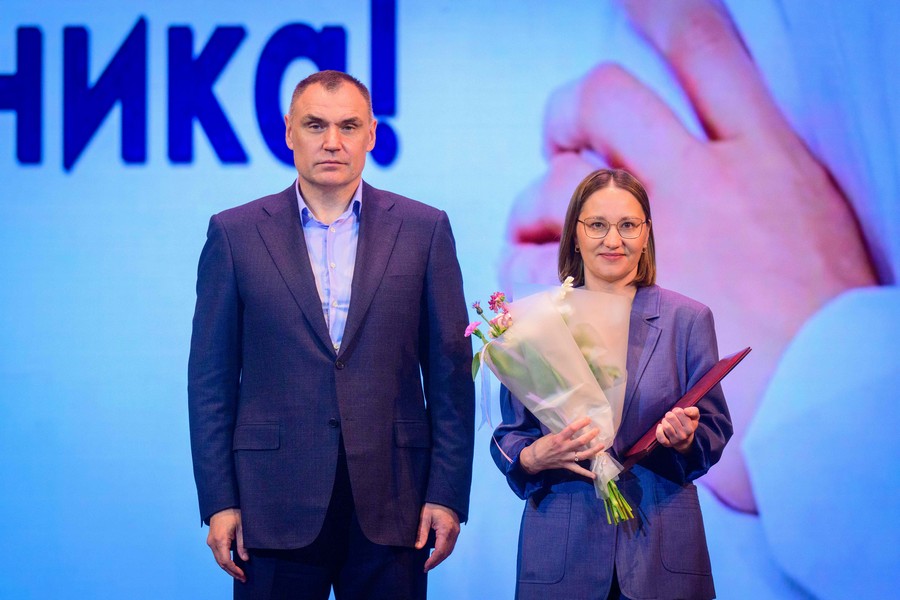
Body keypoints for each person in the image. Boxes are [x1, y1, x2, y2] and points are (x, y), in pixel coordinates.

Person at [188, 70, 475, 600]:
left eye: (349, 126)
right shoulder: (234, 233)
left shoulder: (424, 229)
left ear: (372, 134)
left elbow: (451, 376)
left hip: (396, 500)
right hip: (270, 504)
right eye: (315, 125)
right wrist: (220, 500)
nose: (332, 142)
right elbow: (210, 382)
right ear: (288, 132)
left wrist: (448, 493)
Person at [492, 168, 732, 600]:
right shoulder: (533, 323)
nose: (613, 240)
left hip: (662, 550)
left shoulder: (688, 320)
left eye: (628, 225)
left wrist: (686, 440)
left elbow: (714, 428)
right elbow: (510, 434)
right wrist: (533, 455)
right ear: (575, 234)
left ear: (646, 233)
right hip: (563, 554)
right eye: (598, 225)